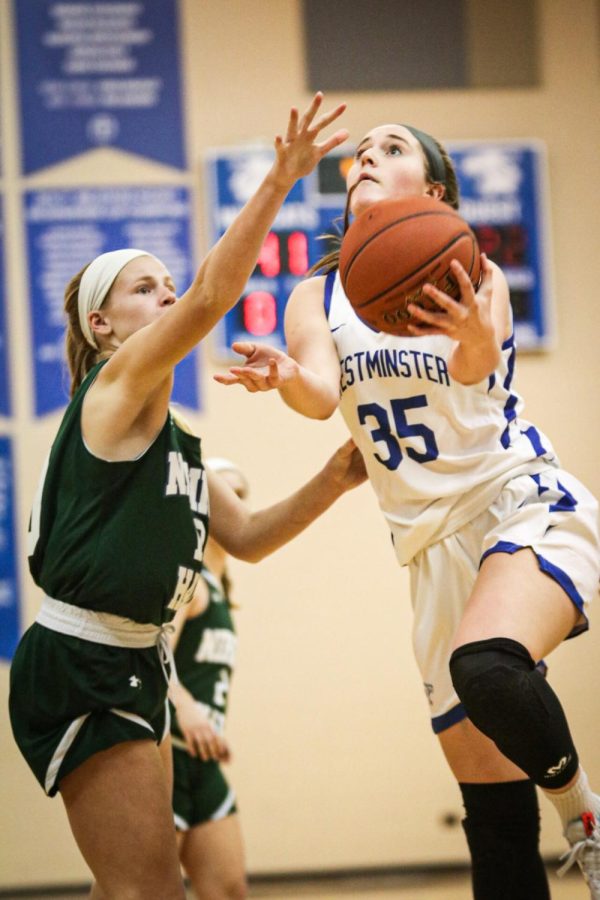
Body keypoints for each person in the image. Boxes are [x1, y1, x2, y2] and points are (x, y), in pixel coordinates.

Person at [215, 122, 600, 899]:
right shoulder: (314, 292)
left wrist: (466, 331)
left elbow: (475, 360)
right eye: (362, 152)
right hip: (428, 551)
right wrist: (286, 373)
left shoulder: (468, 268)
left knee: (487, 665)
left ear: (435, 195)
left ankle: (585, 819)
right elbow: (320, 396)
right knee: (493, 824)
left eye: (393, 149)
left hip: (517, 503)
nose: (366, 158)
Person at [8, 93, 368, 900]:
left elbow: (247, 539)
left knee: (135, 884)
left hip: (134, 658)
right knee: (149, 890)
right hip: (84, 657)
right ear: (102, 326)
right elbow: (213, 295)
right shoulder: (109, 390)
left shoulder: (179, 445)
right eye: (146, 289)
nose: (169, 295)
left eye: (168, 282)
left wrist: (336, 479)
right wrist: (281, 180)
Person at [168, 457, 249, 900]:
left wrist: (210, 728)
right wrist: (185, 708)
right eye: (224, 496)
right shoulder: (191, 582)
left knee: (230, 889)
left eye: (241, 497)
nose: (235, 506)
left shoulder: (219, 588)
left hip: (203, 761)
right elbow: (152, 654)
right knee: (137, 891)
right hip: (168, 757)